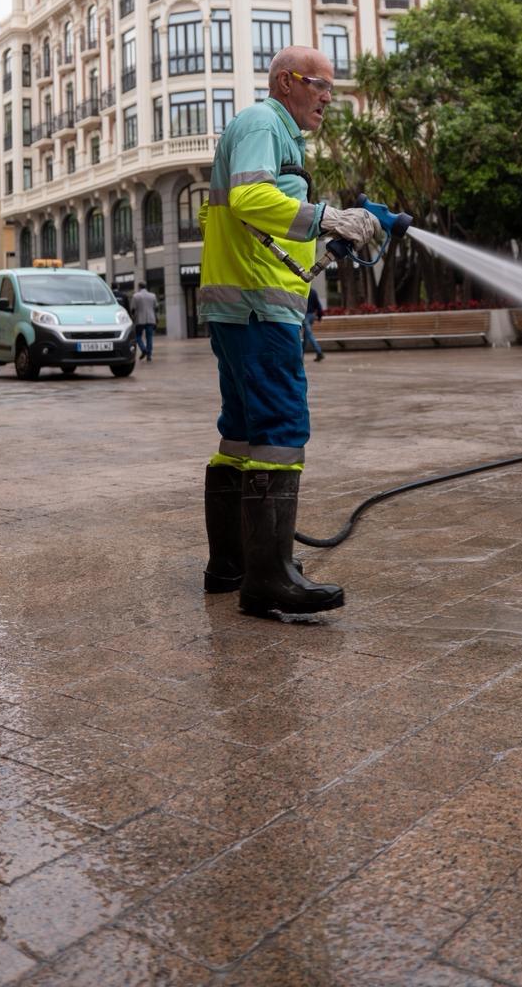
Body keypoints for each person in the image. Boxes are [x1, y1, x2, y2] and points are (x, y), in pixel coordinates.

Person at [198, 46, 380, 617]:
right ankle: (268, 580)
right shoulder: (261, 122)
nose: (329, 97)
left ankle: (233, 566)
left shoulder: (278, 134)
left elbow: (266, 215)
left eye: (332, 87)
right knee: (281, 430)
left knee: (242, 435)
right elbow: (253, 198)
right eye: (320, 85)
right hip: (257, 308)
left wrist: (327, 235)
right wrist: (328, 215)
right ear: (285, 82)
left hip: (243, 305)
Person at [131, 281, 158, 360]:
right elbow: (156, 308)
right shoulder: (153, 296)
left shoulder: (136, 296)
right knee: (149, 337)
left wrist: (133, 317)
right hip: (151, 319)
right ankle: (149, 355)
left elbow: (133, 309)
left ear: (139, 287)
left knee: (137, 336)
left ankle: (143, 349)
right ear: (146, 287)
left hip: (139, 319)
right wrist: (156, 317)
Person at [303, 287, 325, 364]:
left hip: (305, 315)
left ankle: (319, 352)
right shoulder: (313, 291)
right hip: (312, 315)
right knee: (306, 336)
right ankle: (300, 355)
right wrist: (319, 316)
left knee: (309, 334)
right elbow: (318, 304)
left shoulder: (302, 290)